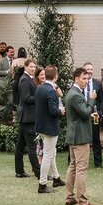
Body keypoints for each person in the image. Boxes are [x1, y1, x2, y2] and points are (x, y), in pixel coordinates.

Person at [64, 67, 97, 205]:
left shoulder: (72, 92)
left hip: (74, 135)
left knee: (73, 166)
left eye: (88, 78)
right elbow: (85, 113)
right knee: (81, 169)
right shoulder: (76, 95)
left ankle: (69, 197)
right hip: (80, 136)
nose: (86, 81)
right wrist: (91, 100)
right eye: (84, 78)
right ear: (76, 79)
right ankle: (83, 201)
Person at [35, 65, 65, 194]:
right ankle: (42, 184)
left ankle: (56, 178)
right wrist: (61, 111)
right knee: (48, 154)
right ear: (55, 76)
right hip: (49, 126)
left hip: (41, 125)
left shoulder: (40, 88)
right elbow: (53, 112)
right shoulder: (50, 91)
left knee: (51, 152)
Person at [15, 59, 40, 179]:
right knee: (31, 147)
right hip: (27, 117)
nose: (33, 69)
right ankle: (38, 172)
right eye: (31, 66)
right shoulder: (25, 79)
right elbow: (25, 98)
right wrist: (38, 97)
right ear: (25, 67)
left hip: (26, 116)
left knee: (20, 145)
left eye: (34, 67)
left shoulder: (28, 78)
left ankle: (19, 171)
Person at [83, 62, 103, 168]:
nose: (89, 71)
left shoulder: (97, 83)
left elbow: (101, 100)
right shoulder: (80, 83)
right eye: (87, 69)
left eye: (91, 69)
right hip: (82, 113)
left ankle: (98, 162)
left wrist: (100, 113)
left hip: (95, 114)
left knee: (96, 138)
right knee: (82, 137)